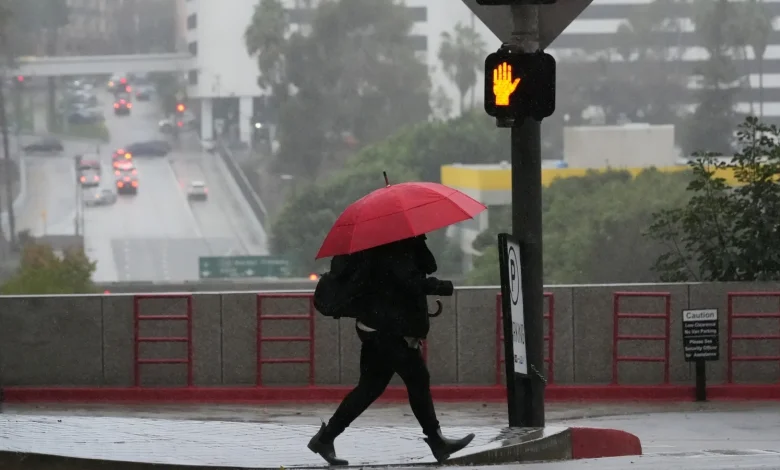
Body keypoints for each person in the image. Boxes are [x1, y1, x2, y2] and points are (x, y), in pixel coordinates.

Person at [308, 235, 475, 465]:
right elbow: (409, 281)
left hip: (375, 325)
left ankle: (325, 438)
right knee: (417, 379)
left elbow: (421, 268)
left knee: (370, 388)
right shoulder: (394, 244)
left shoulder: (380, 243)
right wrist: (442, 287)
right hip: (389, 328)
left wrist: (419, 244)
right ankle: (436, 440)